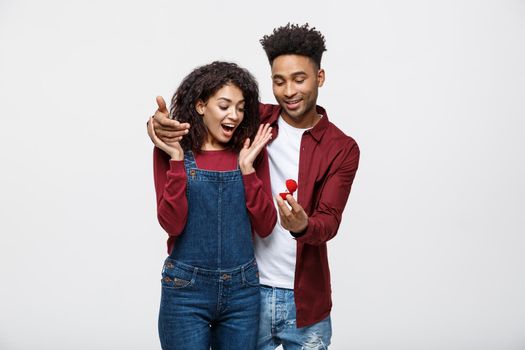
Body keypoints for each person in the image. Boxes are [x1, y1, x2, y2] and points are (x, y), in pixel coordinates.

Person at [150, 23, 360, 349]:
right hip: (242, 289)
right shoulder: (257, 121)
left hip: (294, 298)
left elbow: (327, 220)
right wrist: (156, 123)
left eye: (299, 79)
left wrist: (303, 224)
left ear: (319, 78)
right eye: (279, 81)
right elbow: (190, 115)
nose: (289, 90)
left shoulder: (338, 147)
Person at [147, 61, 277, 350]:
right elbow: (172, 223)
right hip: (185, 291)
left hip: (243, 292)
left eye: (241, 107)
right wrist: (178, 162)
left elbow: (267, 226)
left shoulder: (250, 153)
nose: (234, 115)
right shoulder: (171, 151)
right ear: (201, 106)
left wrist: (248, 171)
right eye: (225, 105)